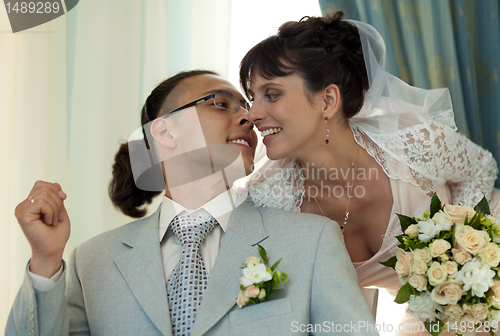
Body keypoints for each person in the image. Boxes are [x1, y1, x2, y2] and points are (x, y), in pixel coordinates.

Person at [6, 70, 377, 336]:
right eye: (221, 104)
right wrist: (44, 261)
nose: (249, 116)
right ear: (165, 131)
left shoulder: (311, 242)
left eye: (246, 107)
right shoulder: (92, 262)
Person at [239, 11, 500, 335]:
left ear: (328, 100)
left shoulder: (414, 142)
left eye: (271, 94)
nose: (252, 114)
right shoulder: (272, 200)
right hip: (433, 311)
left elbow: (481, 170)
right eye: (252, 98)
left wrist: (465, 249)